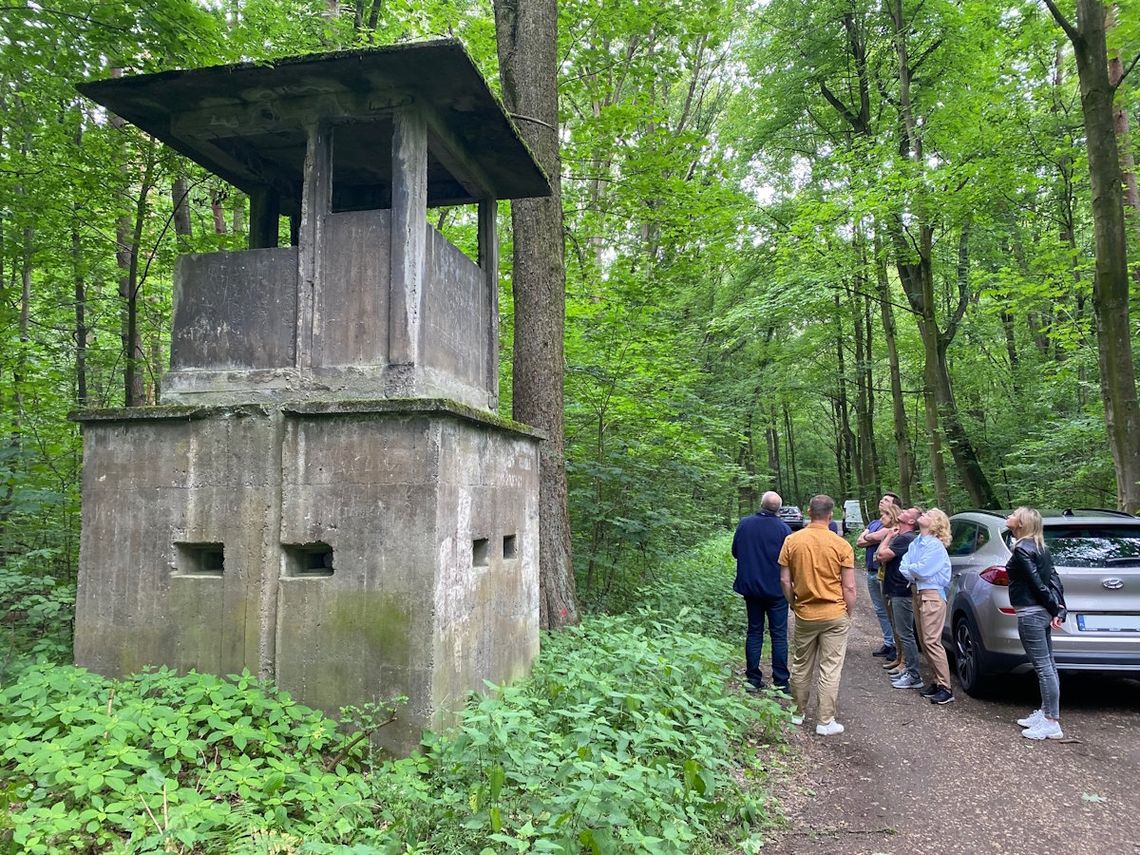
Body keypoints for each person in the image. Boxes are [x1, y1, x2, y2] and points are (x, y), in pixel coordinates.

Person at [778, 495, 857, 736]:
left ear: (808, 511)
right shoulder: (841, 545)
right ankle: (825, 721)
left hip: (805, 613)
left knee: (802, 664)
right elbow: (850, 587)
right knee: (830, 667)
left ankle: (797, 713)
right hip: (834, 613)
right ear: (830, 515)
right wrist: (847, 612)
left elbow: (784, 579)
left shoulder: (792, 541)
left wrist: (793, 603)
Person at [1005, 506, 1067, 740]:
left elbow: (1038, 585)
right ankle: (1046, 712)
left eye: (1012, 515)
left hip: (1031, 614)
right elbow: (1054, 580)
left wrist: (1056, 608)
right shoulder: (1040, 546)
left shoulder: (1022, 550)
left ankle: (1051, 722)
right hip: (1040, 612)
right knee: (1048, 664)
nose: (1008, 517)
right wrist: (1060, 608)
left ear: (1020, 523)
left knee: (1043, 667)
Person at [732, 490, 792, 693]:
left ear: (761, 504)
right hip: (776, 590)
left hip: (751, 588)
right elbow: (790, 561)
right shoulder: (784, 530)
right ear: (779, 508)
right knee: (779, 635)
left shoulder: (745, 524)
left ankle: (753, 679)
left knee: (754, 631)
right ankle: (781, 682)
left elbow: (735, 552)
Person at [899, 508, 954, 705]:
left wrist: (912, 570)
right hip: (918, 593)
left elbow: (922, 570)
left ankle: (945, 687)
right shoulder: (916, 543)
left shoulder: (935, 546)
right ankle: (936, 681)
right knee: (923, 640)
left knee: (932, 641)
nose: (924, 514)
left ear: (936, 524)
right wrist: (912, 570)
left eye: (929, 514)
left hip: (932, 595)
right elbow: (903, 565)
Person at [876, 507, 921, 689]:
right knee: (901, 631)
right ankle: (906, 668)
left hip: (901, 591)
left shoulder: (906, 538)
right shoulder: (901, 537)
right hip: (894, 589)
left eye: (908, 511)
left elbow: (881, 555)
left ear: (911, 522)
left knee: (906, 633)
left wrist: (887, 537)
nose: (903, 510)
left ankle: (913, 674)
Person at [856, 493, 902, 659]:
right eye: (882, 499)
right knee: (879, 609)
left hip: (885, 573)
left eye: (887, 500)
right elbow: (860, 542)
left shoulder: (897, 526)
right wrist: (872, 537)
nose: (882, 501)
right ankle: (888, 642)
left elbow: (872, 538)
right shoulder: (875, 523)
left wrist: (872, 537)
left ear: (895, 506)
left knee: (891, 610)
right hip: (870, 571)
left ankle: (897, 646)